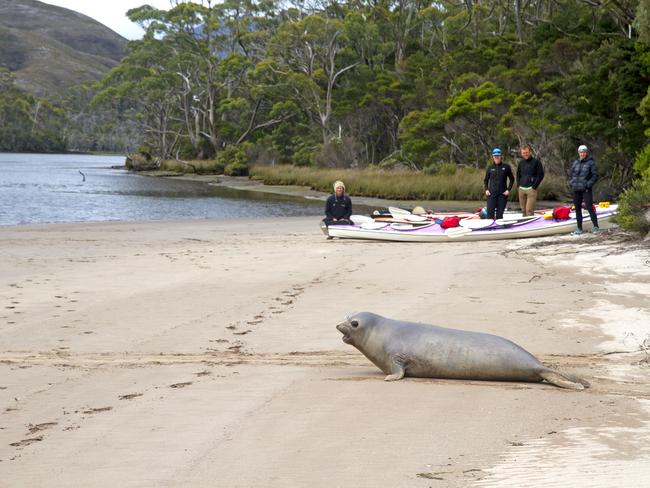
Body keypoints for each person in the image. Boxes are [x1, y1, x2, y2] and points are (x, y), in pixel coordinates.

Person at [569, 145, 599, 235]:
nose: (582, 154)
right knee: (577, 208)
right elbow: (572, 174)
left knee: (590, 207)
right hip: (576, 189)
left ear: (586, 153)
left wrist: (588, 185)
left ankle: (596, 227)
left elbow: (595, 176)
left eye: (584, 152)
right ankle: (579, 228)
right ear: (579, 153)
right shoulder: (575, 162)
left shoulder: (591, 163)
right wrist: (571, 183)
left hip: (585, 189)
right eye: (581, 152)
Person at [484, 148, 515, 220]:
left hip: (502, 194)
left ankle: (499, 229)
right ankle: (490, 229)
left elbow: (512, 179)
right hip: (491, 194)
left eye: (498, 156)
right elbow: (485, 180)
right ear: (493, 157)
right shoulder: (490, 168)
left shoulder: (506, 167)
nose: (496, 157)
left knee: (499, 215)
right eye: (495, 156)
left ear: (501, 156)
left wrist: (508, 190)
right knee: (490, 214)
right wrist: (486, 190)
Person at [516, 145, 545, 216]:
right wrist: (518, 185)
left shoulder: (536, 162)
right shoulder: (521, 163)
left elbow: (540, 175)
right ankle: (524, 226)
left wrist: (534, 186)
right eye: (523, 153)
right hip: (521, 190)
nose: (525, 154)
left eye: (526, 152)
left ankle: (530, 226)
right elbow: (518, 174)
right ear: (521, 153)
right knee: (523, 211)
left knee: (529, 210)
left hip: (531, 190)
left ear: (530, 152)